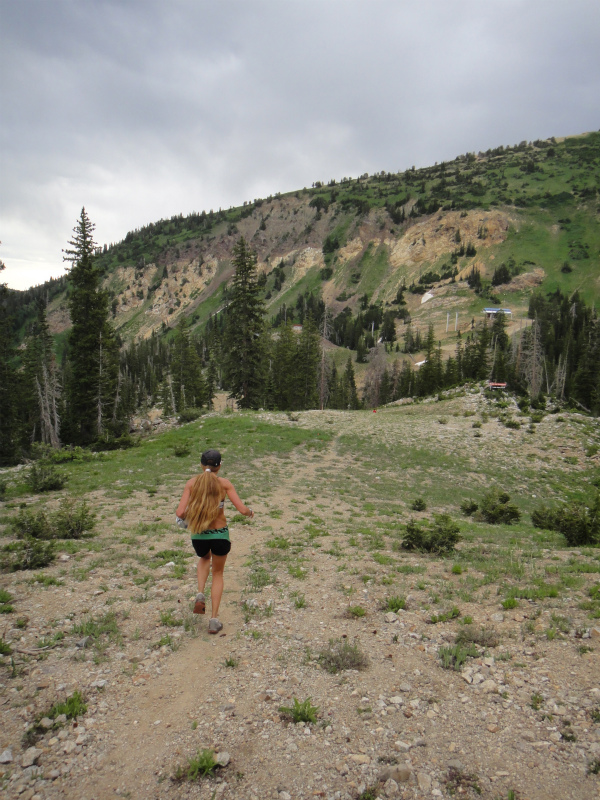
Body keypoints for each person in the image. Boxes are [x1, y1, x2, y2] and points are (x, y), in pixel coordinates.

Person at [176, 449, 254, 633]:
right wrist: (250, 512)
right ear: (219, 466)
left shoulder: (191, 484)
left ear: (201, 464)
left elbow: (180, 513)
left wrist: (195, 512)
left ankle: (200, 592)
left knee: (204, 558)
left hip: (199, 534)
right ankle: (213, 619)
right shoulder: (224, 484)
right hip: (220, 535)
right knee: (218, 573)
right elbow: (242, 509)